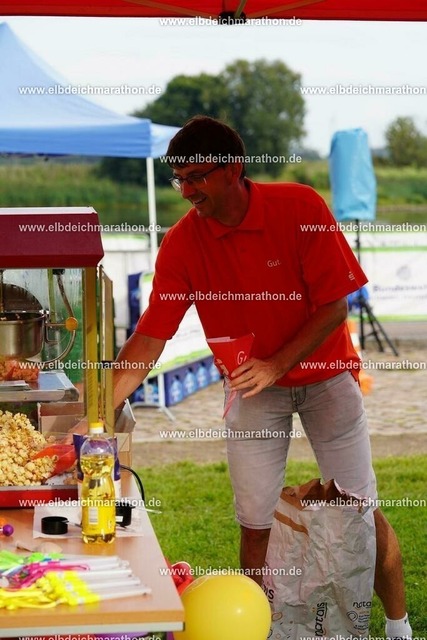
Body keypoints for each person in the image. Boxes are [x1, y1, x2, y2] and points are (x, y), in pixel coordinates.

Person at [113, 115, 412, 640]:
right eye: (178, 180)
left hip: (327, 376)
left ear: (234, 169)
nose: (187, 191)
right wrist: (98, 407)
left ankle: (399, 625)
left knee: (360, 513)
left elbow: (335, 308)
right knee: (254, 524)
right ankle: (259, 629)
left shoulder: (300, 207)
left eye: (197, 177)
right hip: (253, 390)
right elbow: (150, 337)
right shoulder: (182, 243)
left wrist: (277, 364)